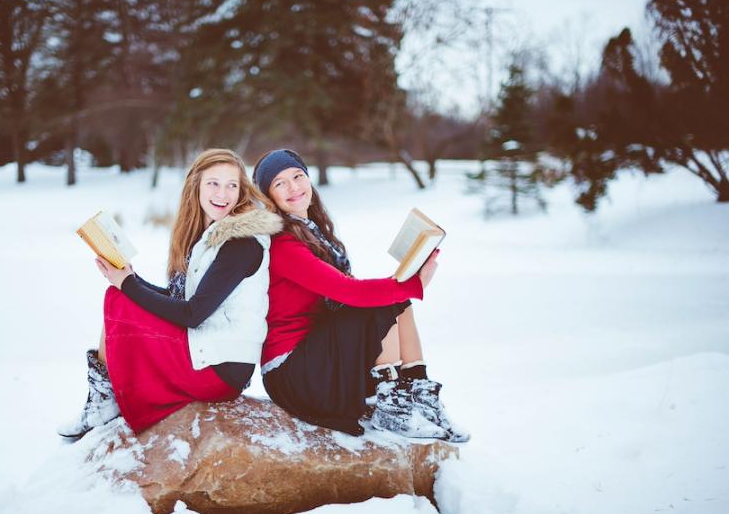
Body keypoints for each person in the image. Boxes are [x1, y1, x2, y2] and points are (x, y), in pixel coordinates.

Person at [58, 148, 282, 438]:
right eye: (213, 183)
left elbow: (193, 313)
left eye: (232, 185)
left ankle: (104, 400)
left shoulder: (240, 243)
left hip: (220, 367)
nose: (223, 193)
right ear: (196, 186)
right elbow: (184, 303)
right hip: (211, 351)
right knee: (121, 297)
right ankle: (104, 398)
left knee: (120, 300)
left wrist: (128, 284)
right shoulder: (214, 236)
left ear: (241, 192)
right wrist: (129, 278)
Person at [251, 148, 469, 442]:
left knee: (394, 301)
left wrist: (404, 282)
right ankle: (391, 405)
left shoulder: (313, 232)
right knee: (381, 303)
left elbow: (348, 290)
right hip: (291, 371)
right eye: (279, 183)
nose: (293, 187)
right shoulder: (282, 244)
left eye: (297, 176)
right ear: (269, 197)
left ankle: (421, 395)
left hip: (317, 354)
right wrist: (412, 284)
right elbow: (347, 291)